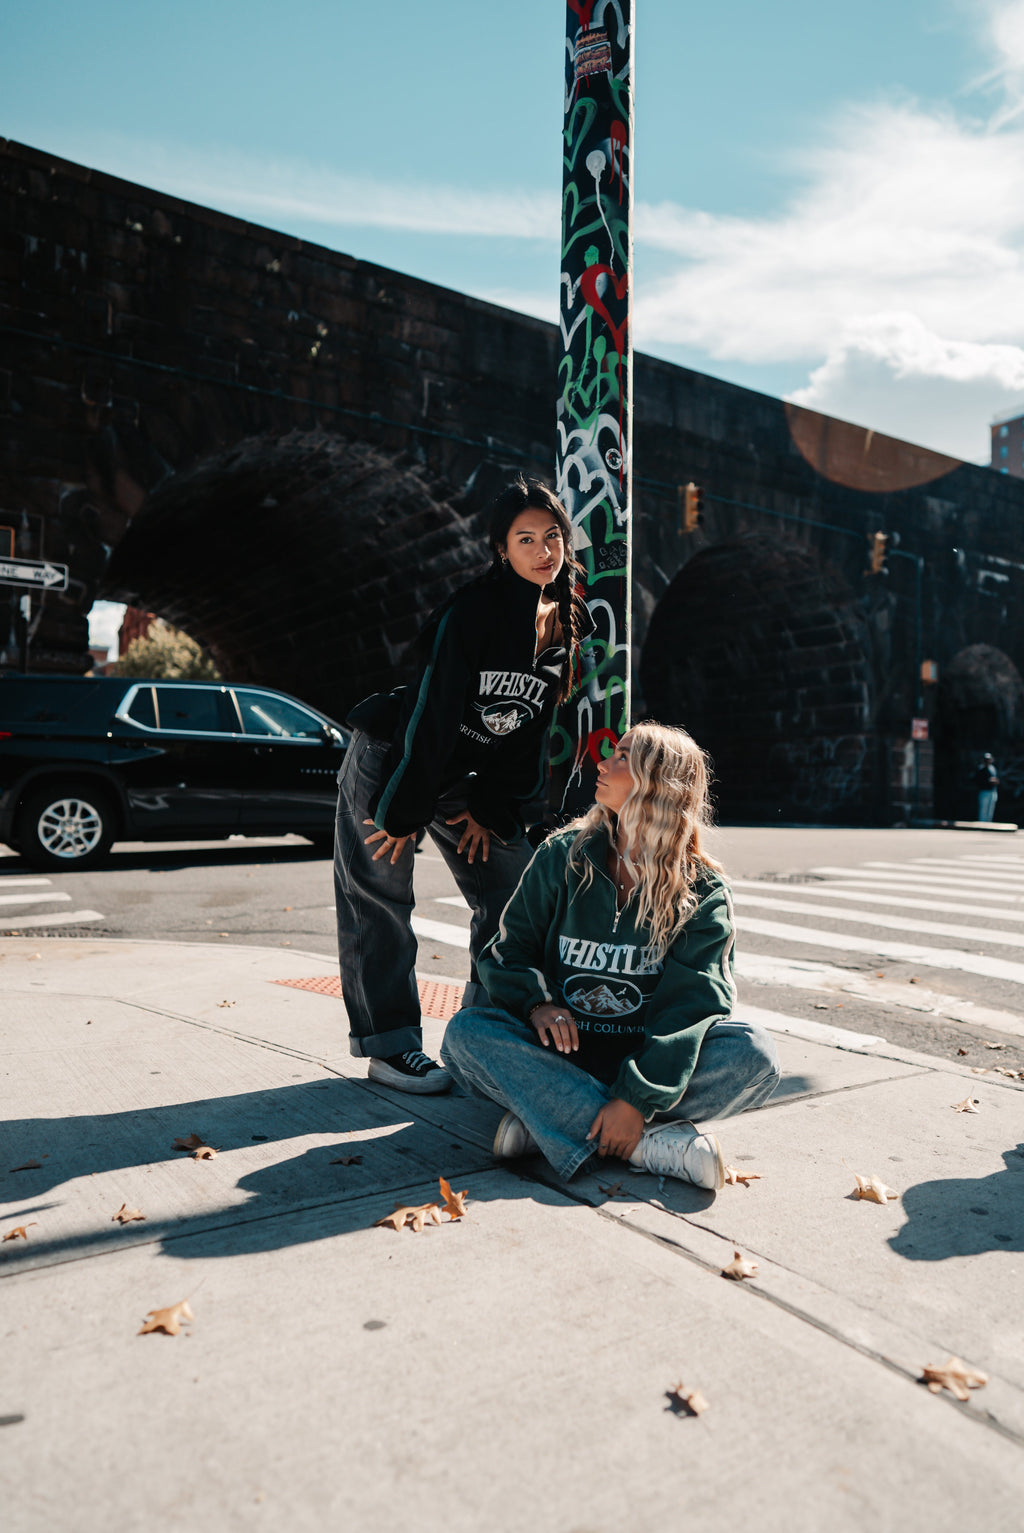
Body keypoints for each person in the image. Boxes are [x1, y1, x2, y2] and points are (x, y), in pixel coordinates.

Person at [334, 476, 592, 1094]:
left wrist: (491, 808)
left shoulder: (563, 620)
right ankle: (390, 1046)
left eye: (551, 536)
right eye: (525, 539)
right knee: (380, 900)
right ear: (501, 549)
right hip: (395, 761)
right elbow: (434, 711)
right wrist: (400, 811)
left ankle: (484, 1032)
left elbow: (531, 727)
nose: (543, 551)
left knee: (512, 892)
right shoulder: (471, 610)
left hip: (463, 774)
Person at [441, 722, 780, 1189]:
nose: (601, 763)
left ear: (656, 782)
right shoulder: (563, 856)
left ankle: (551, 1118)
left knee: (754, 1053)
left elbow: (696, 1004)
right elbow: (506, 951)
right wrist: (537, 1004)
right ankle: (646, 1143)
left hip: (646, 1058)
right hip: (558, 1054)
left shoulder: (702, 889)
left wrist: (636, 1097)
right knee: (466, 1033)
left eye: (621, 757)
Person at [975, 753, 999, 823]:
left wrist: (996, 781)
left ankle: (989, 824)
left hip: (992, 791)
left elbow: (996, 778)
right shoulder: (981, 768)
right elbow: (978, 780)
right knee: (983, 809)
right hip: (984, 791)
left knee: (990, 809)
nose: (987, 761)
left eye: (988, 759)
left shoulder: (993, 768)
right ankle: (982, 824)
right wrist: (988, 781)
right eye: (986, 760)